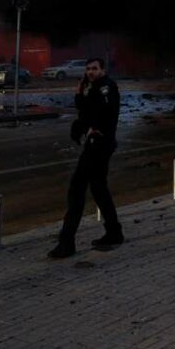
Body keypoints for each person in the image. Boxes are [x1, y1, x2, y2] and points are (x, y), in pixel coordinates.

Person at [49, 57, 123, 258]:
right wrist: (79, 90)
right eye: (88, 69)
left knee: (76, 191)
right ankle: (114, 231)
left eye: (94, 69)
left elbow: (106, 112)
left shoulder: (106, 87)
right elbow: (84, 109)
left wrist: (94, 129)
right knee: (99, 189)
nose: (90, 72)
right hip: (98, 144)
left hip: (99, 145)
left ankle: (67, 242)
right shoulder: (93, 87)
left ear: (103, 70)